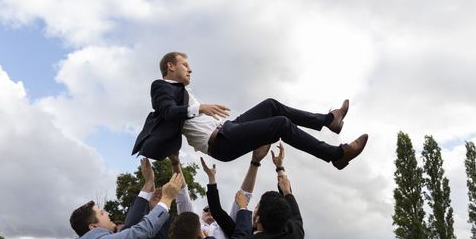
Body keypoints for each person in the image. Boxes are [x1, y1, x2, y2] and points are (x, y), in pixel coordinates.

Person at [132, 51, 368, 169]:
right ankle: (336, 155)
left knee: (271, 105)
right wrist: (200, 107)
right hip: (219, 142)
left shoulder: (183, 90)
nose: (190, 70)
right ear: (170, 67)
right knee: (281, 124)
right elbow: (168, 112)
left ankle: (329, 120)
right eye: (185, 65)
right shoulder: (161, 87)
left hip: (227, 129)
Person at [170, 144, 269, 239]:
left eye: (211, 210)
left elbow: (243, 197)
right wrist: (175, 163)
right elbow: (182, 197)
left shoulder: (225, 226)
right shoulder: (193, 224)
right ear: (200, 214)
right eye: (206, 209)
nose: (210, 211)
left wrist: (255, 162)